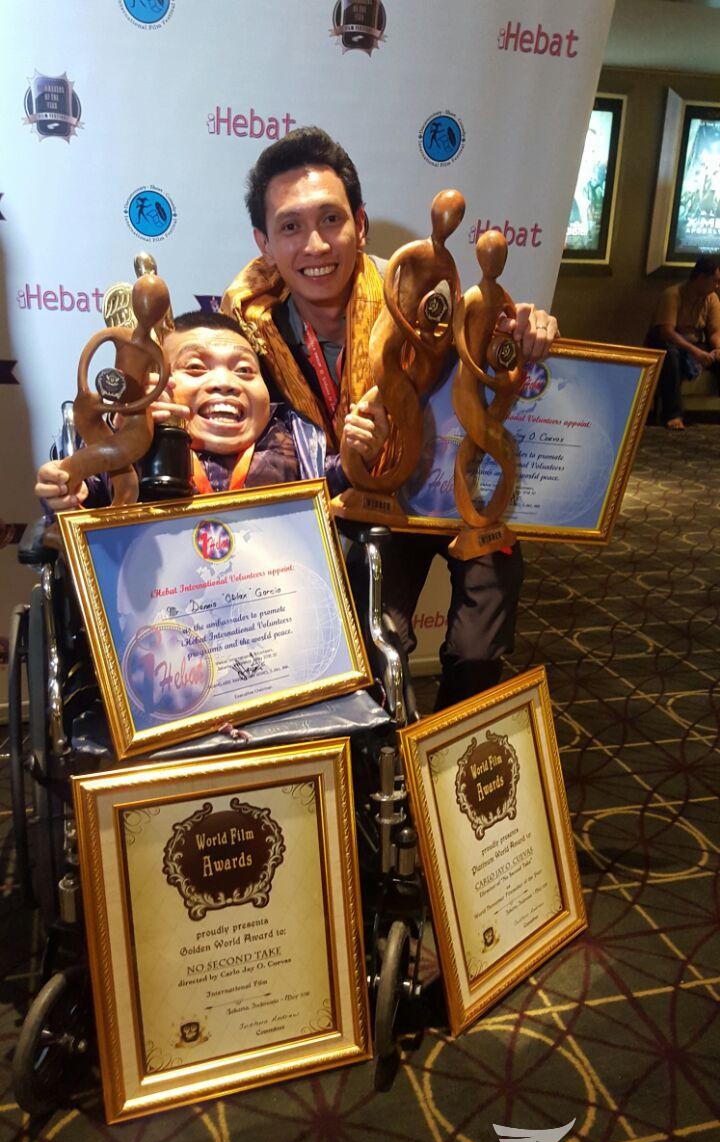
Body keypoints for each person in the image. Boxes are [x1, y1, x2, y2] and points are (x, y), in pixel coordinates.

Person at [222, 126, 559, 709]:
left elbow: (492, 337)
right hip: (367, 503)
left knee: (480, 642)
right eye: (291, 227)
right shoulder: (250, 331)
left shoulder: (422, 294)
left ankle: (451, 773)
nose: (316, 245)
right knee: (379, 650)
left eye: (332, 220)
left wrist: (524, 333)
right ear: (264, 243)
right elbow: (196, 384)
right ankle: (382, 775)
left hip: (459, 493)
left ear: (361, 224)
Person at [35, 310, 387, 513]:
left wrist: (361, 451)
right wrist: (65, 491)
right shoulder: (131, 447)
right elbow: (84, 493)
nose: (225, 382)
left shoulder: (294, 445)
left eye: (246, 371)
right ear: (156, 383)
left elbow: (335, 479)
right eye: (196, 368)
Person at [646, 255, 720, 432]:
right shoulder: (673, 294)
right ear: (701, 278)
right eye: (715, 281)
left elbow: (715, 331)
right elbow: (667, 332)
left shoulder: (712, 299)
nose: (717, 286)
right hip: (671, 343)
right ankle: (673, 415)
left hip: (697, 344)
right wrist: (695, 352)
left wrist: (718, 348)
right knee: (671, 354)